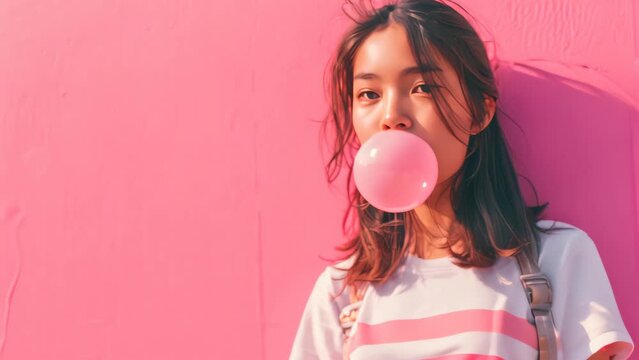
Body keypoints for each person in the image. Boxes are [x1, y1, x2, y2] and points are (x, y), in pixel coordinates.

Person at [290, 0, 635, 359]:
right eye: (370, 95)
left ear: (478, 111)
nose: (391, 115)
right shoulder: (342, 293)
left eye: (422, 87)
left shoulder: (558, 259)